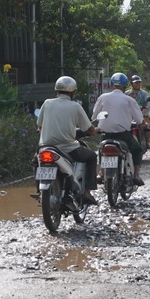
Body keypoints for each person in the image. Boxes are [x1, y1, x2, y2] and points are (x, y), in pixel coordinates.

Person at [37, 76, 99, 205]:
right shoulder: (75, 106)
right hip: (67, 148)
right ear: (72, 92)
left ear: (56, 91)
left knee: (35, 162)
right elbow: (89, 128)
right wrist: (94, 131)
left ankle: (39, 190)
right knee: (92, 156)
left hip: (45, 147)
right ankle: (87, 192)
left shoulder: (47, 103)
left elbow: (40, 125)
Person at [91, 72, 145, 186]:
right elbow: (139, 120)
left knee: (101, 149)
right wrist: (142, 124)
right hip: (123, 135)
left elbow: (94, 116)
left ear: (111, 85)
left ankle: (100, 173)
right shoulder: (129, 100)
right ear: (125, 86)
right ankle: (136, 175)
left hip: (106, 134)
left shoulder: (102, 97)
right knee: (138, 150)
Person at [125, 74, 150, 149]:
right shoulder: (127, 93)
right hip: (129, 114)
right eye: (136, 83)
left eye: (139, 82)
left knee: (147, 125)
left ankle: (147, 143)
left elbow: (148, 104)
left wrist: (145, 107)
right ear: (132, 84)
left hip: (141, 113)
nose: (138, 84)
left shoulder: (144, 94)